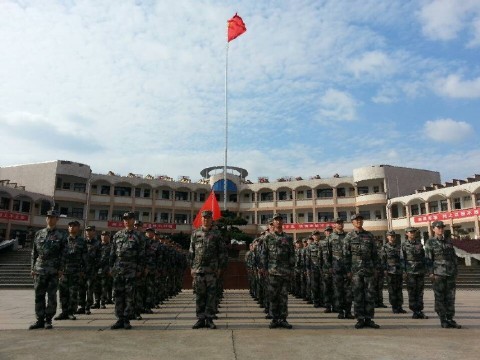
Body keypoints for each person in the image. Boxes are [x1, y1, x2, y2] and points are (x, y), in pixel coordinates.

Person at [189, 210, 227, 329]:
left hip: (212, 270)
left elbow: (222, 252)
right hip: (198, 270)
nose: (206, 220)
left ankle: (209, 318)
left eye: (208, 218)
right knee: (200, 295)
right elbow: (191, 252)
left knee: (211, 295)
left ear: (211, 220)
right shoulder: (195, 234)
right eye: (204, 218)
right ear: (201, 219)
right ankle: (200, 318)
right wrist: (191, 268)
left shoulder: (217, 234)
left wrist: (220, 267)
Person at [29, 210, 67, 330]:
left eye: (53, 217)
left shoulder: (61, 235)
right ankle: (39, 319)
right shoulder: (39, 234)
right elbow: (34, 253)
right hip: (39, 269)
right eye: (48, 217)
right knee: (38, 295)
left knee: (51, 296)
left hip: (53, 270)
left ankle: (48, 320)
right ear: (46, 219)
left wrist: (61, 269)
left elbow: (63, 254)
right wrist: (32, 268)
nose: (50, 219)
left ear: (57, 220)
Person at [109, 212, 145, 330]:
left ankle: (126, 319)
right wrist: (111, 267)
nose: (127, 221)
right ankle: (119, 318)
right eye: (125, 219)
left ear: (133, 220)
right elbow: (113, 253)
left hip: (131, 269)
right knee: (118, 294)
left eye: (129, 219)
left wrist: (139, 269)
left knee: (129, 295)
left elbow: (142, 254)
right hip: (118, 269)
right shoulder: (117, 235)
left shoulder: (139, 236)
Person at [344, 213, 380, 329]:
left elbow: (375, 254)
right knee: (358, 295)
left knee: (370, 294)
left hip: (369, 269)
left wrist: (376, 268)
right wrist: (348, 270)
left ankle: (369, 318)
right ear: (352, 222)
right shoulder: (349, 237)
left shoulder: (369, 236)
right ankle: (360, 319)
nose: (359, 222)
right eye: (356, 220)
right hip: (356, 271)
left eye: (360, 220)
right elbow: (346, 255)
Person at [425, 221, 461, 328]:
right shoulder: (430, 242)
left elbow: (454, 258)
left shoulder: (448, 242)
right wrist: (431, 273)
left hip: (450, 274)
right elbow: (428, 259)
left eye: (442, 227)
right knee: (440, 297)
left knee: (451, 297)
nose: (441, 229)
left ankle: (450, 318)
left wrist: (456, 271)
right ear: (433, 229)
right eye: (438, 227)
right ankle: (443, 319)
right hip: (438, 274)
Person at [261, 214, 294, 329]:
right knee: (273, 296)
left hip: (285, 272)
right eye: (276, 220)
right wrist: (264, 268)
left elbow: (292, 255)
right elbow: (264, 254)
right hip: (272, 272)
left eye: (280, 220)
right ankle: (275, 319)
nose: (278, 222)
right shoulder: (268, 238)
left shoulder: (288, 238)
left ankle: (283, 319)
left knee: (284, 297)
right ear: (273, 223)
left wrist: (291, 269)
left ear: (282, 222)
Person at [55, 220, 87, 321]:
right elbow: (59, 255)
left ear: (78, 228)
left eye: (74, 226)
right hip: (64, 270)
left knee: (73, 293)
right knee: (63, 292)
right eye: (70, 226)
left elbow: (85, 257)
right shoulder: (63, 240)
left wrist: (83, 270)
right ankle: (64, 312)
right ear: (68, 228)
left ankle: (71, 312)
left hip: (76, 271)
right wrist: (58, 269)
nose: (72, 228)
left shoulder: (82, 241)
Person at [329, 218, 354, 319]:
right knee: (338, 291)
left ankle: (348, 311)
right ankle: (340, 311)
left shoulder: (348, 236)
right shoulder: (330, 237)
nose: (340, 224)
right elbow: (327, 253)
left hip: (347, 267)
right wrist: (329, 266)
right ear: (334, 225)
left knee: (348, 291)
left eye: (341, 223)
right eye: (337, 223)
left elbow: (352, 251)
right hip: (336, 267)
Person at [402, 227, 428, 319]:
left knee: (420, 292)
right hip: (410, 272)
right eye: (410, 232)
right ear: (406, 234)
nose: (412, 233)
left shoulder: (419, 244)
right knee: (412, 292)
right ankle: (414, 311)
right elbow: (402, 259)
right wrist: (404, 271)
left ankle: (419, 310)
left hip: (420, 271)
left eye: (413, 232)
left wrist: (426, 269)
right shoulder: (404, 245)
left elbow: (423, 257)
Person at [382, 230, 406, 314]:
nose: (392, 237)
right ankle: (394, 307)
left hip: (398, 270)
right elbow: (383, 259)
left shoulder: (399, 247)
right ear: (387, 237)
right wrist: (384, 269)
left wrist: (403, 270)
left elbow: (402, 259)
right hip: (390, 271)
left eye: (393, 236)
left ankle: (400, 306)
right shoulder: (384, 247)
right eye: (390, 236)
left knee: (399, 289)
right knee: (392, 290)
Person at [98, 231, 113, 309]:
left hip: (106, 269)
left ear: (109, 237)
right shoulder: (97, 245)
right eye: (102, 235)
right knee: (96, 286)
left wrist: (111, 268)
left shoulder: (112, 246)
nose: (104, 237)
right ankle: (96, 302)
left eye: (106, 235)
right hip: (97, 269)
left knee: (104, 286)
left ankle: (102, 302)